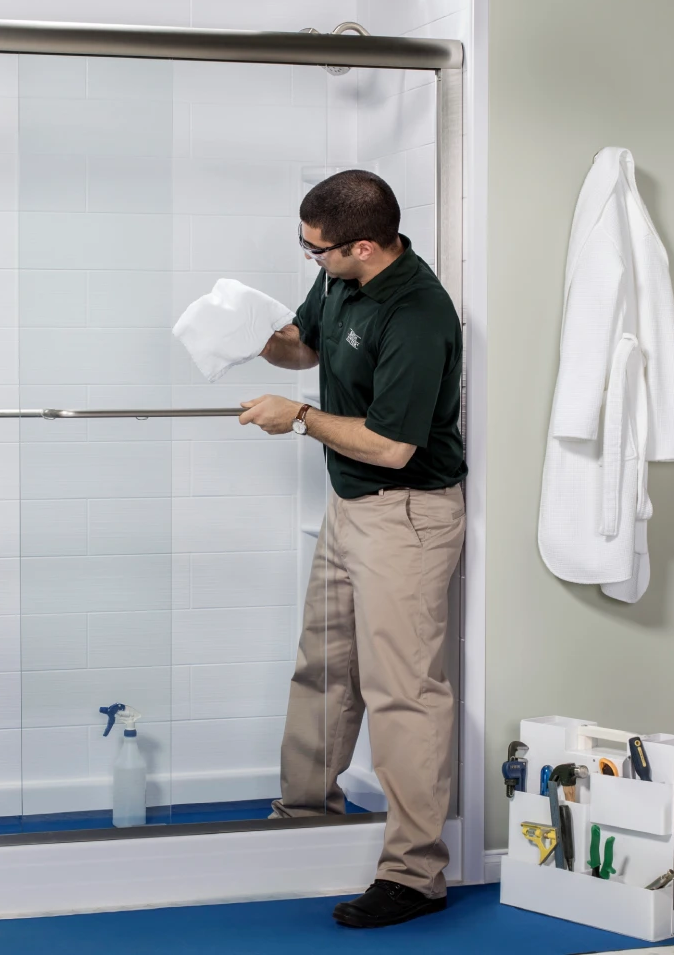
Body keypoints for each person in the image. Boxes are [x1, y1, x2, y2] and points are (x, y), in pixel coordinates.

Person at [239, 169, 467, 929]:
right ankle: (304, 818)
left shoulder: (418, 312)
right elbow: (303, 347)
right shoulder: (341, 283)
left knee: (403, 692)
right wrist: (251, 338)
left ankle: (414, 875)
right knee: (325, 665)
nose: (313, 261)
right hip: (350, 506)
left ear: (362, 245)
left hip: (406, 513)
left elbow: (396, 446)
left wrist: (299, 418)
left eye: (318, 252)